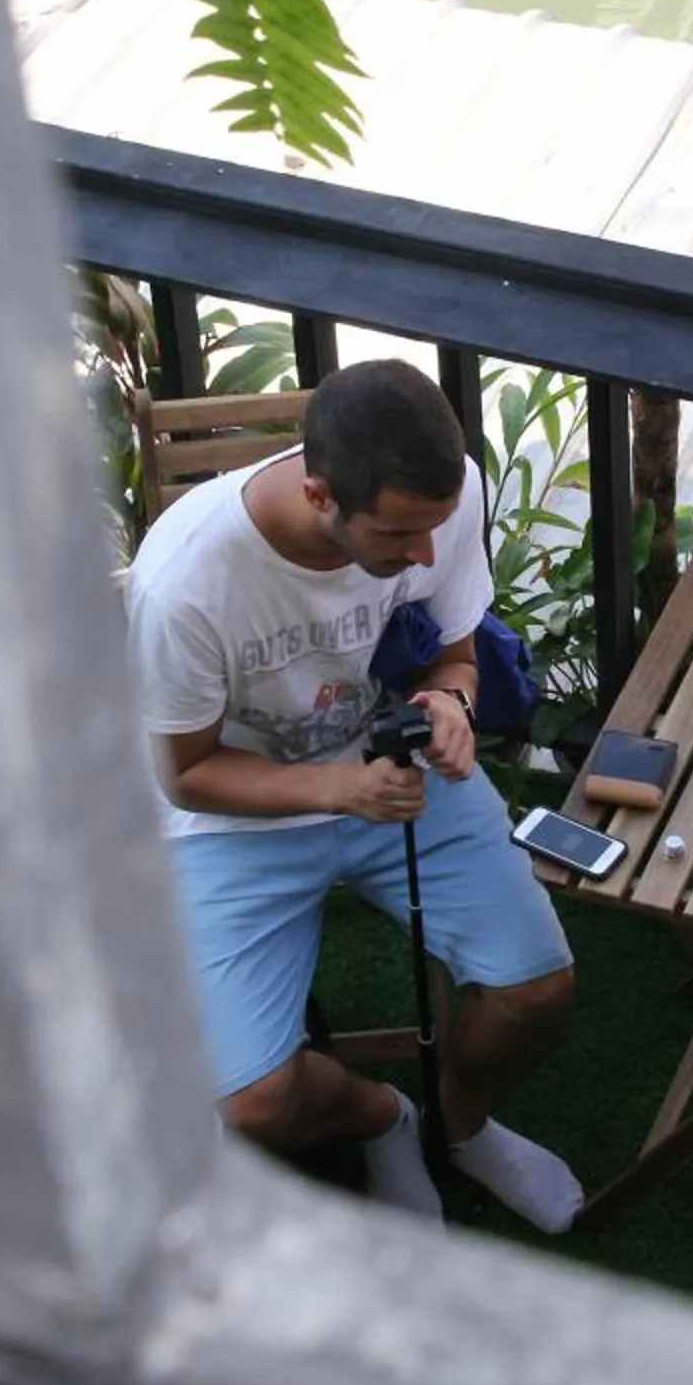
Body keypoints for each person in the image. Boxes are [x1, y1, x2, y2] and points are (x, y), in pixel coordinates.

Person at [126, 359, 583, 1230]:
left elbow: (455, 653)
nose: (421, 556)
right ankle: (385, 1119)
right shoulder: (186, 583)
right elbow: (184, 773)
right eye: (397, 538)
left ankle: (463, 1125)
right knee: (248, 1105)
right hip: (234, 817)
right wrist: (341, 789)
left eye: (434, 532)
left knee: (537, 989)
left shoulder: (441, 504)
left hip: (400, 777)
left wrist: (451, 702)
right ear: (320, 494)